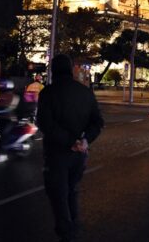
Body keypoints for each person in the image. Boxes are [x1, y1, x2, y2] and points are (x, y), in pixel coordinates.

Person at [37, 54, 104, 242]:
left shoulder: (48, 93)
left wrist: (69, 142)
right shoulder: (85, 92)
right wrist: (84, 141)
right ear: (71, 69)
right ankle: (73, 226)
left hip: (57, 154)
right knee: (71, 190)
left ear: (53, 70)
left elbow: (45, 124)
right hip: (80, 155)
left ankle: (67, 233)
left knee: (58, 194)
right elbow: (98, 122)